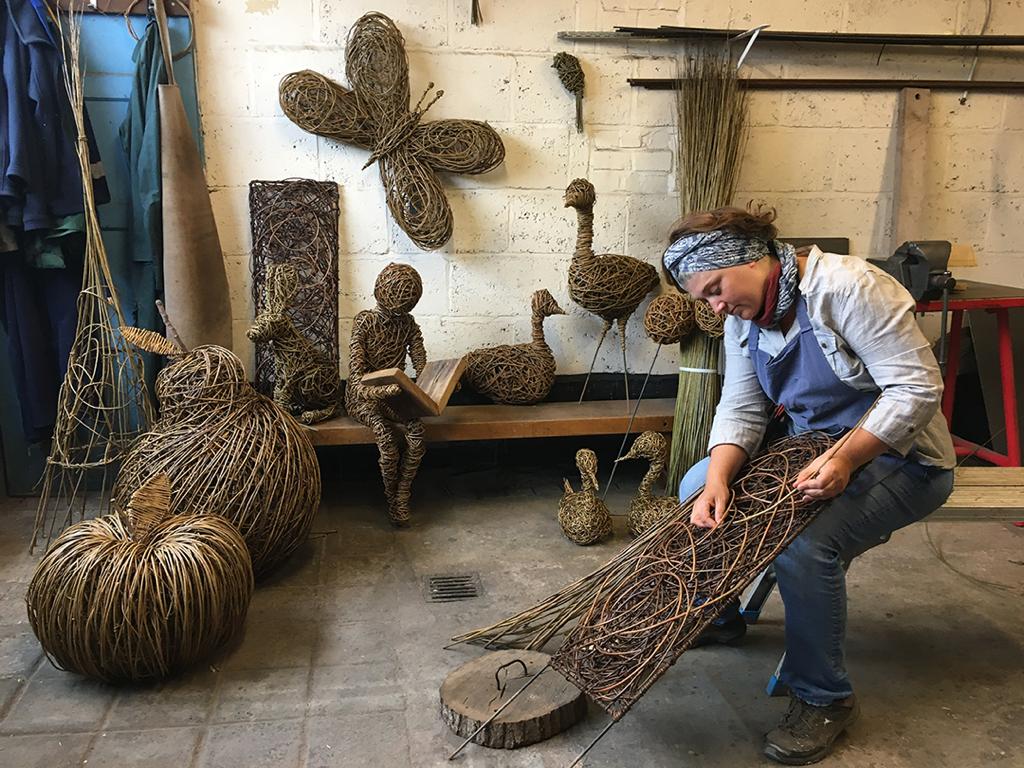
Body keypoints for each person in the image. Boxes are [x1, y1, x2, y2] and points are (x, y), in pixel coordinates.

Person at [662, 205, 955, 765]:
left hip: (905, 459)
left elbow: (915, 390)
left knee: (805, 542)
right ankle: (720, 616)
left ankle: (823, 697)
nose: (717, 306)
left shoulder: (849, 289)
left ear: (754, 259)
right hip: (810, 454)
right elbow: (742, 407)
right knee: (696, 485)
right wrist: (720, 477)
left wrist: (848, 459)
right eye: (706, 299)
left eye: (718, 288)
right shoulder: (744, 318)